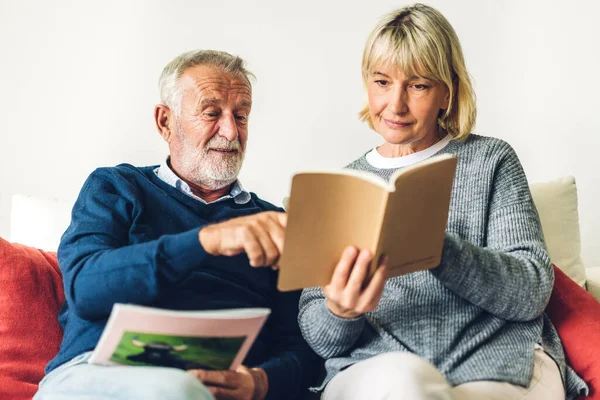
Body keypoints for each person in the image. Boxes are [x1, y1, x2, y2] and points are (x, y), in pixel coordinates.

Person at [298, 4, 588, 400]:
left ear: (447, 92)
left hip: (493, 359)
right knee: (403, 385)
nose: (395, 105)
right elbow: (320, 337)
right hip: (378, 366)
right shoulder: (343, 186)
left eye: (417, 86)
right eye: (382, 82)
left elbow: (531, 292)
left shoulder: (492, 160)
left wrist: (438, 249)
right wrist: (340, 312)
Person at [34, 49, 319, 400]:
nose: (230, 131)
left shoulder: (273, 223)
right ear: (165, 122)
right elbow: (85, 288)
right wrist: (205, 241)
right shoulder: (116, 187)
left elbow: (303, 348)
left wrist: (261, 381)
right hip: (97, 375)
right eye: (212, 113)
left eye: (241, 116)